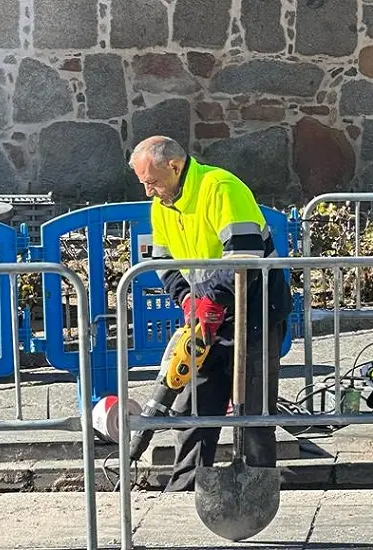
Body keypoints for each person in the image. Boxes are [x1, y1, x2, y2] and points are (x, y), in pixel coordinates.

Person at [128, 135, 293, 492]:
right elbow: (163, 262)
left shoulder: (220, 188)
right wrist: (189, 301)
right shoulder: (163, 206)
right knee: (193, 409)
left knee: (254, 412)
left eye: (151, 181)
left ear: (174, 166)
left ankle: (256, 487)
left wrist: (211, 300)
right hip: (205, 317)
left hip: (255, 315)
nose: (148, 191)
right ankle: (186, 486)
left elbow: (245, 255)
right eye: (144, 183)